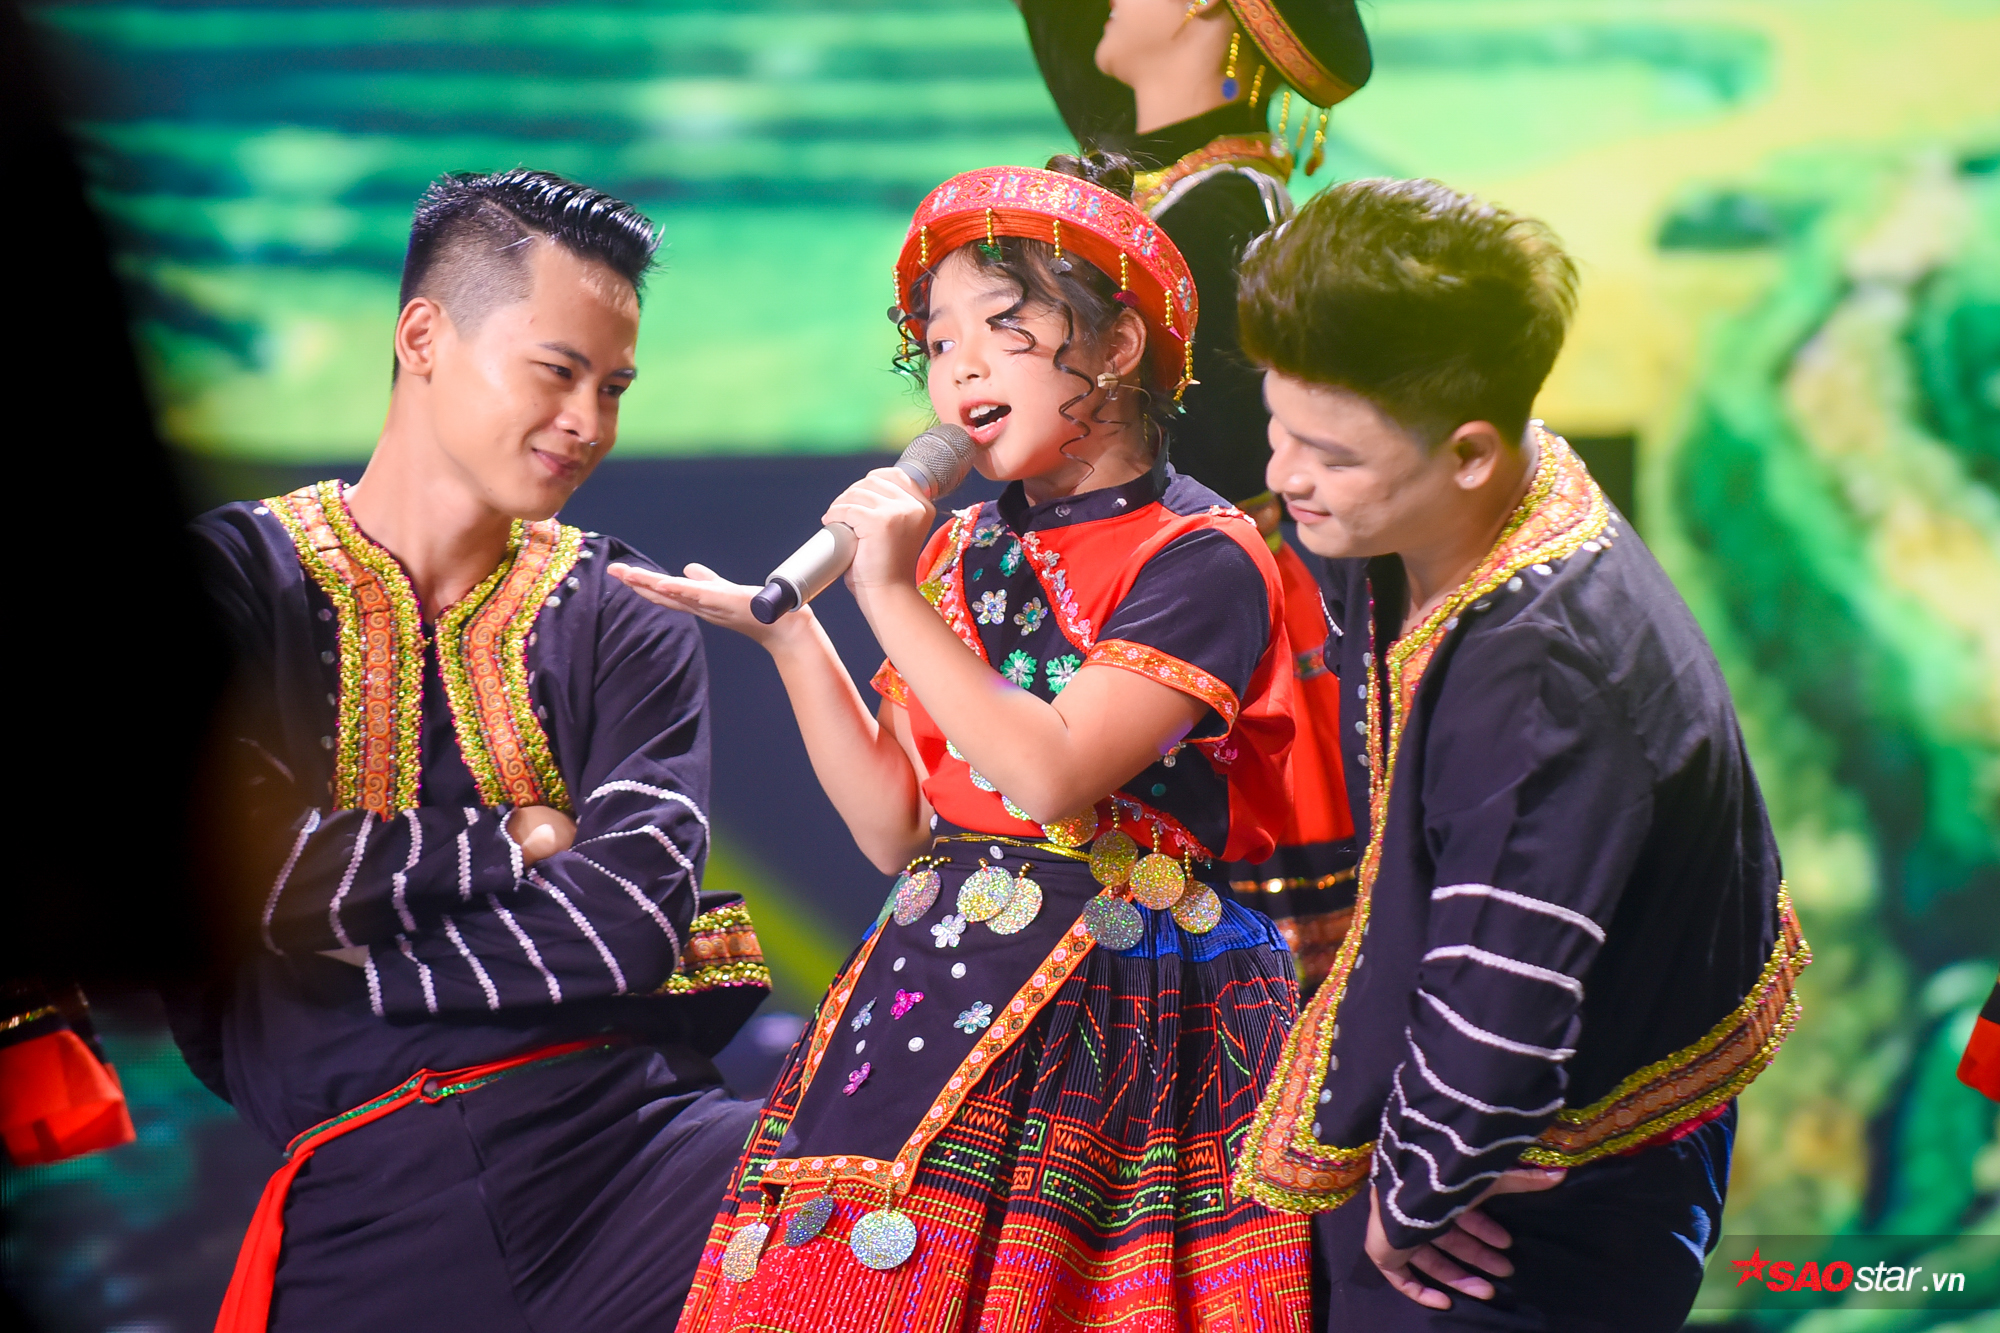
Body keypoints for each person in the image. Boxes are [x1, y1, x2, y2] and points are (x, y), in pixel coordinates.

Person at [614, 157, 1310, 1327]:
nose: (962, 367)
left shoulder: (1200, 555)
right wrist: (792, 640)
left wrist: (886, 593)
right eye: (937, 342)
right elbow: (896, 829)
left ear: (1119, 345)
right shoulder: (955, 549)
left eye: (1002, 325)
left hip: (1120, 1000)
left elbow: (1050, 771)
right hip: (931, 976)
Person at [180, 169, 769, 1333]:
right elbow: (240, 875)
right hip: (368, 1186)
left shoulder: (626, 608)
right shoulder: (230, 584)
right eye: (557, 371)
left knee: (894, 1199)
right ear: (422, 338)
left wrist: (330, 962)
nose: (589, 423)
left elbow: (628, 922)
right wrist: (516, 837)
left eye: (614, 387)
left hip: (644, 1153)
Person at [1229, 178, 1810, 1330]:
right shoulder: (1458, 509)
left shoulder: (1541, 670)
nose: (1286, 475)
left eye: (1328, 454)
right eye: (1275, 427)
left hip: (1527, 1213)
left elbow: (1505, 990)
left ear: (1468, 452)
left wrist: (1414, 1190)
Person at [1016, 0, 1377, 991]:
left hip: (1192, 626)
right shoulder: (1186, 196)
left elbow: (1205, 457)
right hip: (1148, 605)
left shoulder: (1223, 214)